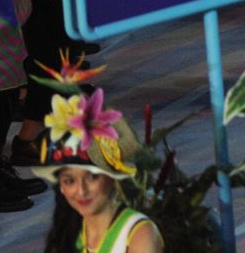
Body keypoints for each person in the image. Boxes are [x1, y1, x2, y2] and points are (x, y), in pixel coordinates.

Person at [27, 75, 162, 253]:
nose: (81, 191)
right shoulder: (69, 234)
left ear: (112, 177)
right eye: (69, 181)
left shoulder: (139, 233)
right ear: (60, 186)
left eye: (92, 177)